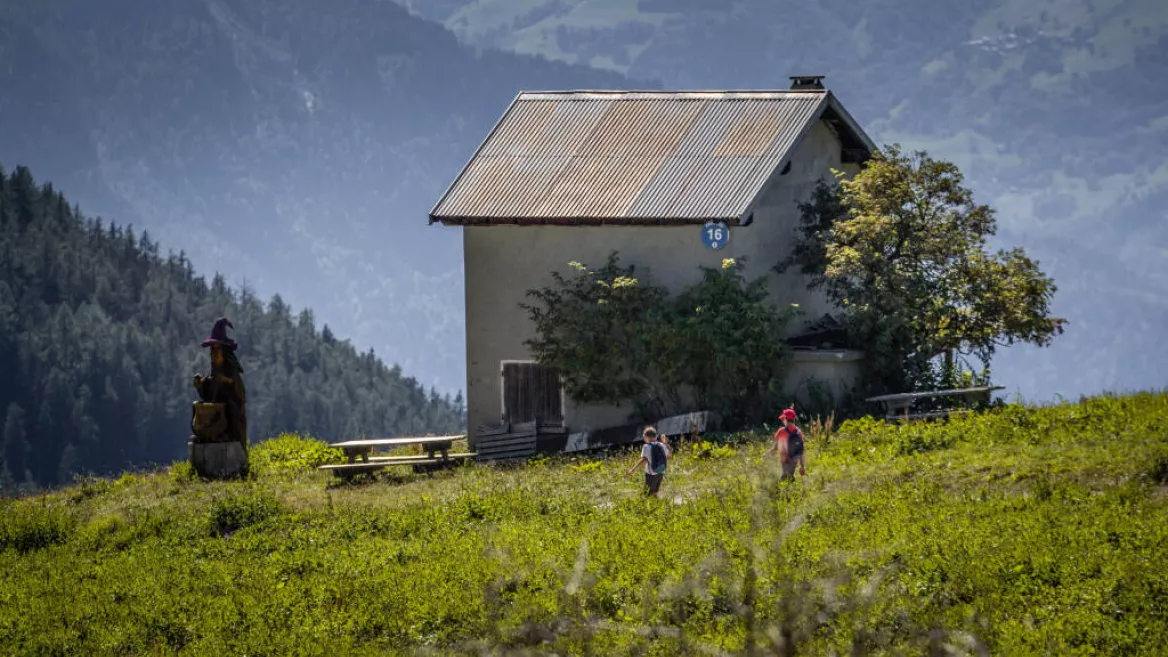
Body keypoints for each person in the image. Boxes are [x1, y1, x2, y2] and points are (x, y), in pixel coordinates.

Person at [193, 317, 248, 450]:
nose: (214, 354)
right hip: (215, 417)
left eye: (217, 350)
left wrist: (227, 381)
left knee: (231, 411)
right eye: (212, 350)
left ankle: (230, 437)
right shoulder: (213, 373)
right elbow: (209, 394)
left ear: (224, 352)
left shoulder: (232, 373)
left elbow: (239, 395)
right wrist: (201, 385)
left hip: (232, 422)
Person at [626, 426, 671, 496]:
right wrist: (665, 443)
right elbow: (670, 455)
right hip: (661, 472)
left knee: (646, 494)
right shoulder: (661, 445)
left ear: (645, 437)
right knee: (654, 492)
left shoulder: (646, 446)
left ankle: (650, 502)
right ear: (656, 436)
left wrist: (633, 470)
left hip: (651, 475)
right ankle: (656, 502)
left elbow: (644, 460)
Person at [765, 408, 806, 481]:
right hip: (794, 460)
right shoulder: (799, 432)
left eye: (782, 419)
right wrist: (802, 466)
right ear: (793, 419)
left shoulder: (781, 431)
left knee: (784, 478)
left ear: (785, 419)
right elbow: (801, 450)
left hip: (784, 460)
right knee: (789, 476)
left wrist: (767, 454)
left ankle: (787, 483)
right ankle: (790, 481)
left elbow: (775, 448)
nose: (782, 421)